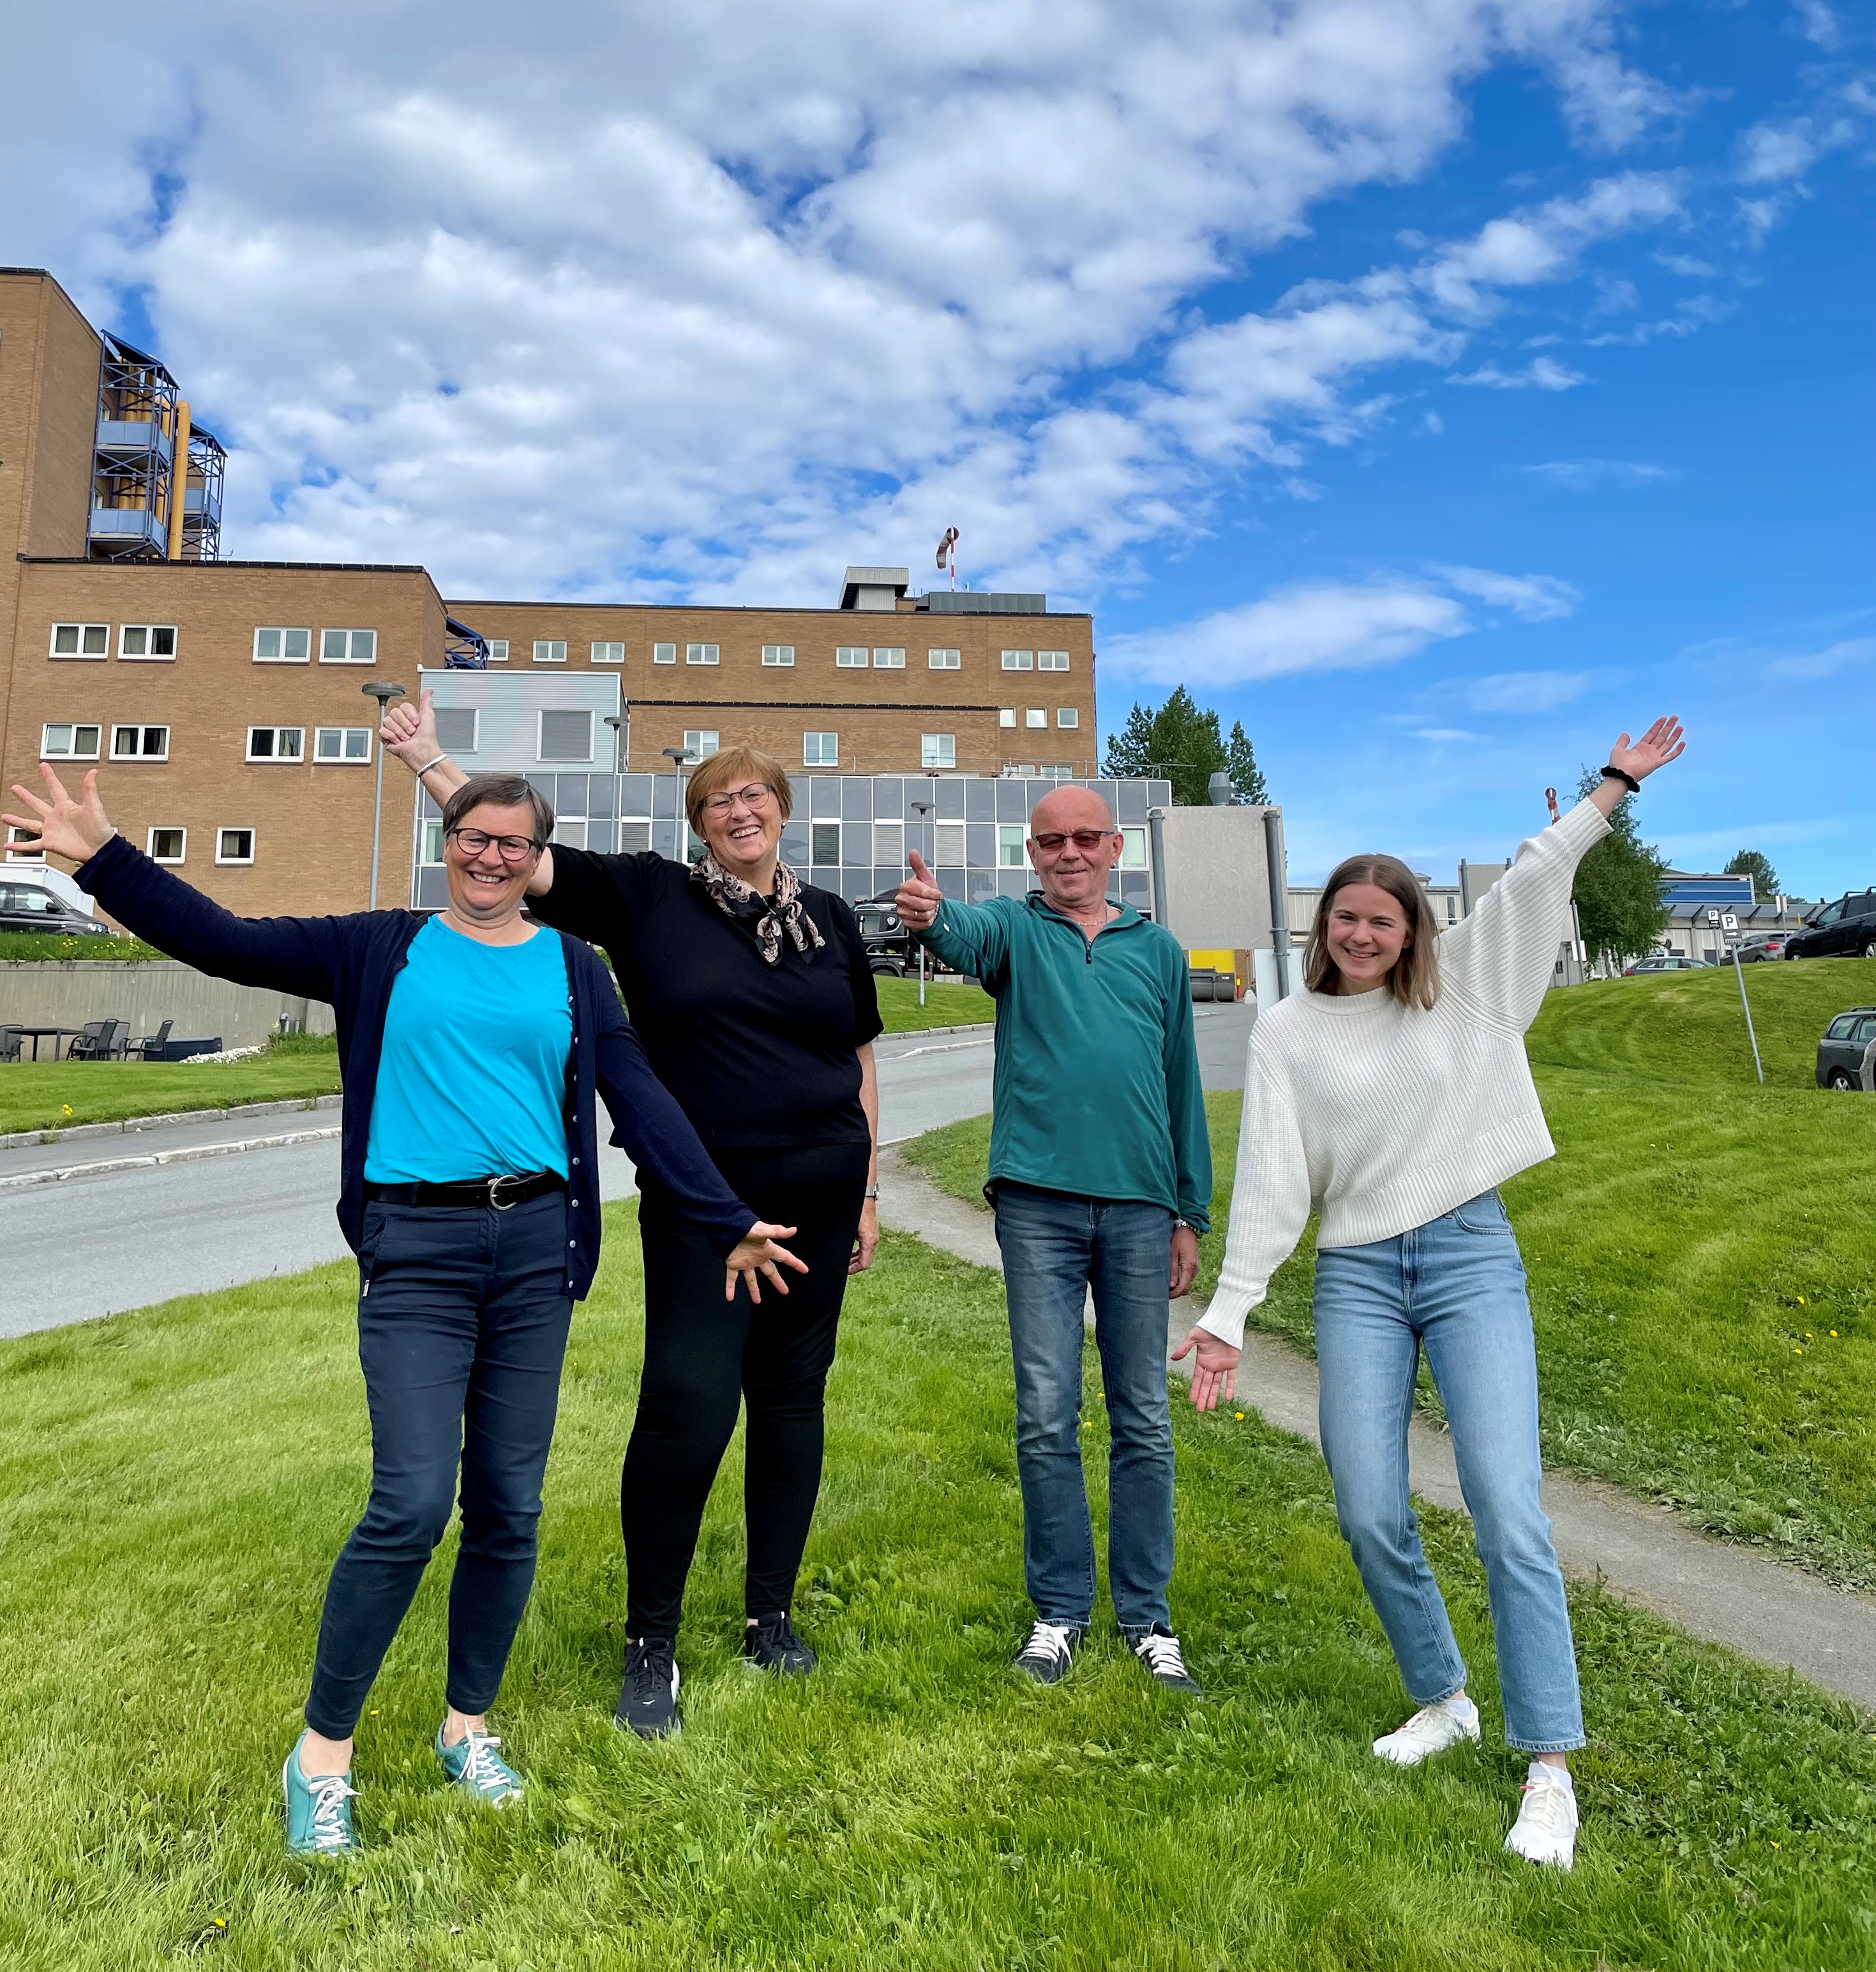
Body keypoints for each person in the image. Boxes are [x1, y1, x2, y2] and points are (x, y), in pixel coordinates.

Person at [3, 760, 801, 1856]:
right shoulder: (380, 946)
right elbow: (227, 942)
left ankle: (466, 1726)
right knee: (411, 1502)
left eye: (514, 844)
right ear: (451, 841)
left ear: (537, 860)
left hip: (534, 1254)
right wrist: (105, 860)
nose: (490, 857)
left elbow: (640, 1099)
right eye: (474, 836)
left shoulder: (577, 967)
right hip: (416, 1251)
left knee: (510, 1509)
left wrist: (722, 1214)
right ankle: (321, 1755)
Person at [1172, 720, 1687, 1872]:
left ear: (1410, 929)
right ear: (1324, 931)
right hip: (1357, 1275)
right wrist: (1227, 1315)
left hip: (1468, 1259)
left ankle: (1548, 1764)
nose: (1362, 933)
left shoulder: (1469, 992)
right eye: (1345, 918)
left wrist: (1611, 788)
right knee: (1368, 1506)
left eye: (1383, 918)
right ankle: (1443, 1696)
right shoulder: (1291, 1034)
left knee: (1508, 1507)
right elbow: (1270, 1182)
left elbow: (1534, 877)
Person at [382, 695, 883, 1740]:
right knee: (689, 1403)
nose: (739, 811)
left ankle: (770, 1614)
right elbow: (516, 853)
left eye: (754, 795)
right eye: (716, 801)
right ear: (696, 823)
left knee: (793, 1400)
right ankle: (650, 1641)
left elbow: (858, 1057)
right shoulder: (653, 900)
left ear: (783, 809)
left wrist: (870, 1186)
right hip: (711, 1203)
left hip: (827, 1190)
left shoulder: (830, 920)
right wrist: (431, 758)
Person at [892, 784, 1210, 1696]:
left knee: (1142, 1416)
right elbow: (960, 933)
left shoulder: (1157, 951)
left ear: (1115, 847)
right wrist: (930, 914)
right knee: (1045, 1412)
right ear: (1030, 853)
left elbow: (1182, 1082)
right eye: (1050, 842)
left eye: (1084, 839)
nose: (1068, 853)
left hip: (1143, 1209)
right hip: (1038, 1204)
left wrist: (1192, 1210)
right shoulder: (1014, 934)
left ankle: (1149, 1618)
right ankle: (1059, 1612)